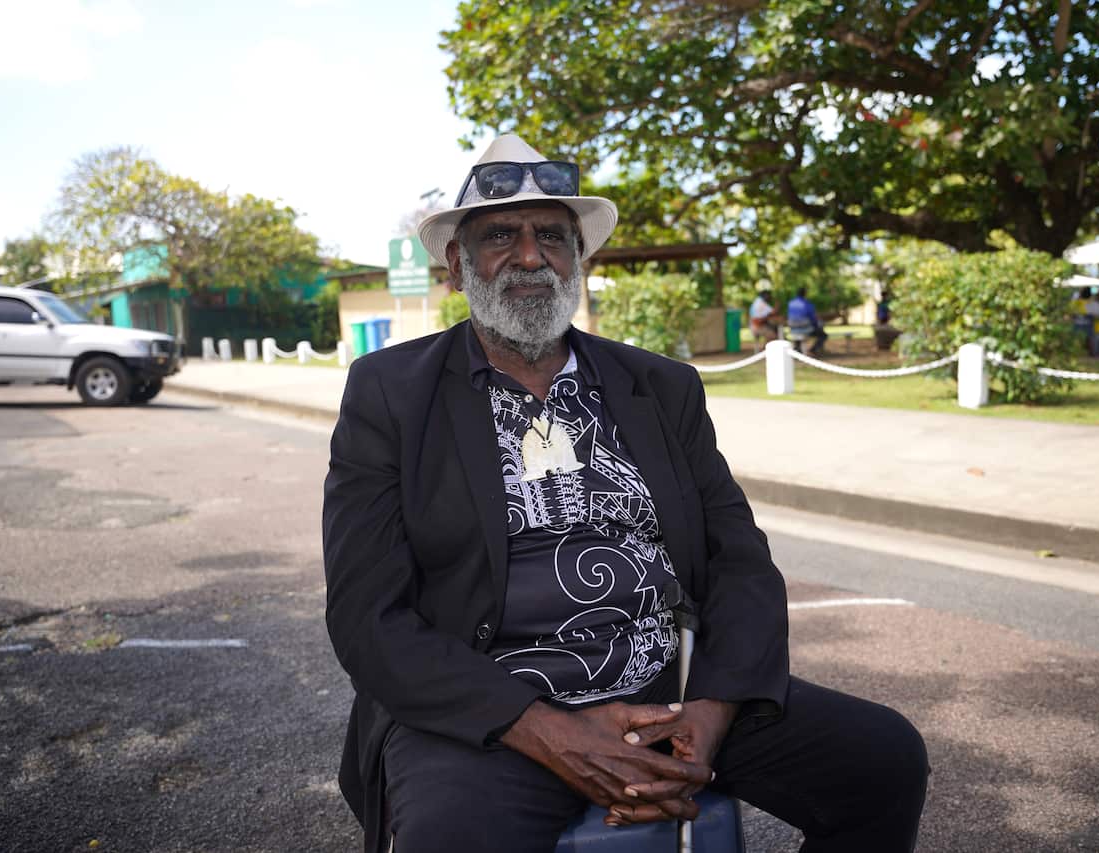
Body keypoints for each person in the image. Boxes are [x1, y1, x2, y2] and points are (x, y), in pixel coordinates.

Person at [323, 134, 928, 853]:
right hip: (488, 715)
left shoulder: (660, 387)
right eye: (499, 237)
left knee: (884, 758)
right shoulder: (391, 392)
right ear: (456, 262)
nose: (528, 256)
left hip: (666, 694)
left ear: (580, 258)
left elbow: (738, 559)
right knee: (452, 835)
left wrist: (710, 708)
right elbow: (368, 615)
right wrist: (550, 731)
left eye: (551, 235)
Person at [786, 287, 828, 355]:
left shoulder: (790, 303)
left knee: (801, 331)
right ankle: (813, 350)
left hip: (792, 328)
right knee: (823, 335)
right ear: (805, 294)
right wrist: (817, 325)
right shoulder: (806, 304)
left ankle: (797, 348)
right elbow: (813, 318)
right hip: (805, 328)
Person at [748, 286, 782, 351]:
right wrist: (777, 305)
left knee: (773, 329)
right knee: (774, 336)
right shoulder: (760, 303)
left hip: (755, 326)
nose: (770, 297)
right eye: (769, 295)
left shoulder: (757, 301)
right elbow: (773, 312)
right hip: (756, 327)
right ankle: (764, 351)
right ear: (765, 295)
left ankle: (764, 349)